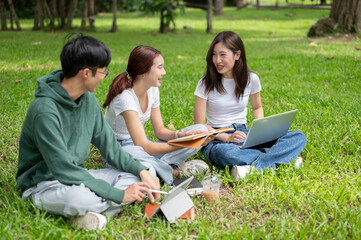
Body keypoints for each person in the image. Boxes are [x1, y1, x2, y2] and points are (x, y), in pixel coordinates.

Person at [16, 33, 161, 231]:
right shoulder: (44, 110)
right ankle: (96, 208)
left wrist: (142, 172)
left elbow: (111, 149)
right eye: (103, 72)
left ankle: (88, 216)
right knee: (80, 199)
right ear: (86, 73)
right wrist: (120, 195)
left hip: (81, 176)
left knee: (145, 174)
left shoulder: (88, 100)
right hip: (45, 184)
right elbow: (63, 169)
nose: (104, 77)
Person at [194, 31, 307, 180]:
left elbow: (257, 107)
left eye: (222, 55)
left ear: (237, 55)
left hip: (245, 134)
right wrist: (226, 138)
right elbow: (199, 124)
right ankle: (282, 160)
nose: (217, 60)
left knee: (298, 137)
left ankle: (252, 168)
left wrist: (262, 130)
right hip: (217, 139)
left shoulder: (251, 79)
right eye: (214, 54)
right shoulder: (205, 83)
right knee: (226, 154)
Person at [103, 45, 209, 185]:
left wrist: (181, 136)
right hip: (120, 149)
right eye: (159, 67)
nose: (164, 72)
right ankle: (172, 171)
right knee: (140, 158)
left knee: (203, 130)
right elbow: (144, 146)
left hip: (143, 148)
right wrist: (184, 145)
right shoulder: (124, 98)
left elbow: (160, 131)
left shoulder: (152, 90)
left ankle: (155, 166)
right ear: (143, 71)